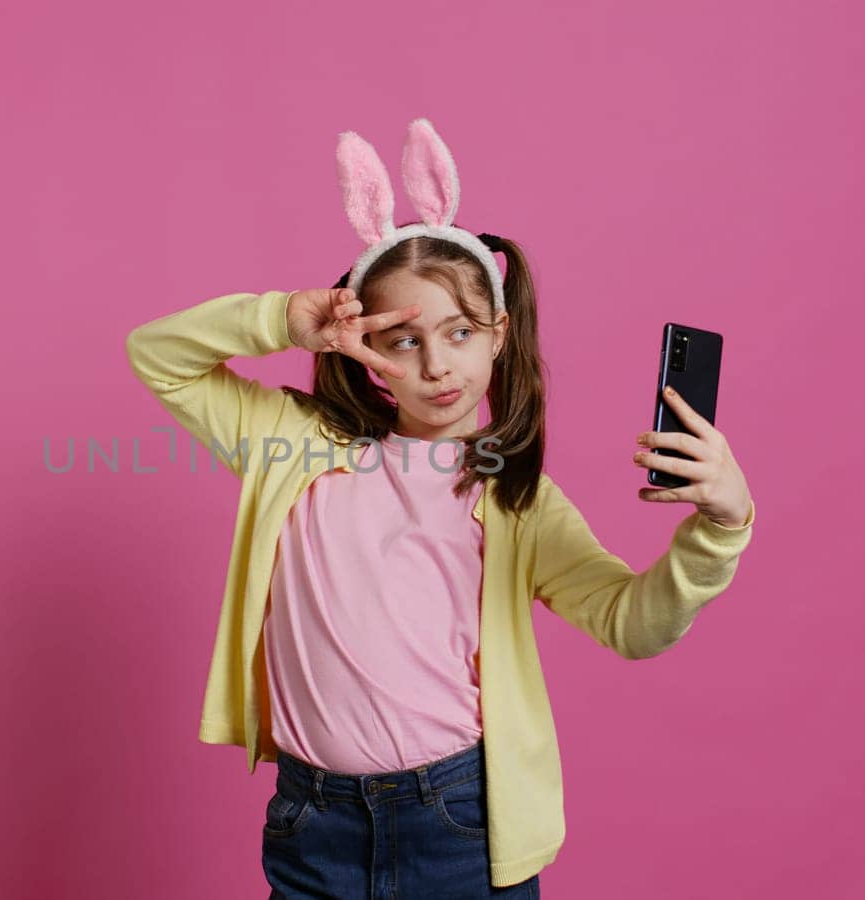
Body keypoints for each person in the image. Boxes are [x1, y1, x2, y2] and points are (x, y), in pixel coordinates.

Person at [125, 118, 756, 899]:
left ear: (498, 335)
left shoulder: (513, 496)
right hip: (311, 823)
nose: (437, 365)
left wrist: (718, 531)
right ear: (364, 350)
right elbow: (157, 355)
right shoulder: (288, 440)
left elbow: (634, 623)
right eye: (404, 340)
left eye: (460, 332)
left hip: (456, 823)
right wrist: (285, 318)